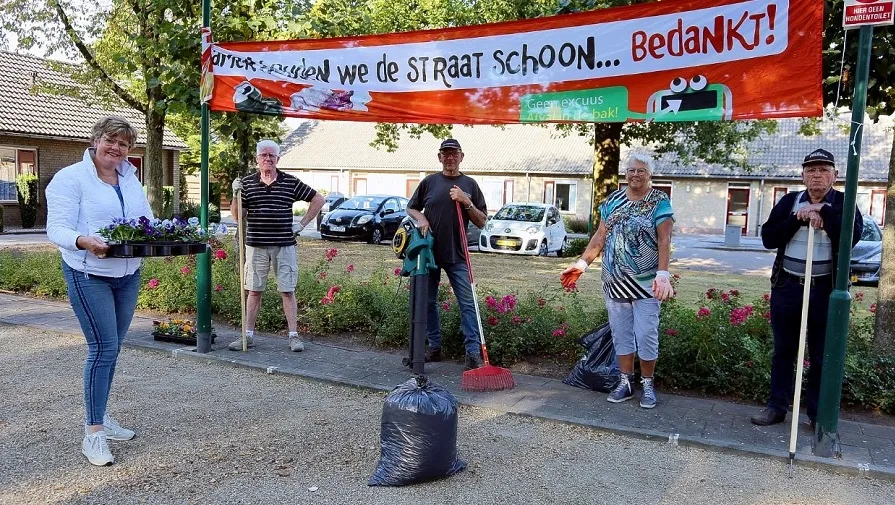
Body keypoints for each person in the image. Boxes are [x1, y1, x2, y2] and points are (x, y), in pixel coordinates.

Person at [45, 116, 151, 466]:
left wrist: (164, 240)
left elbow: (145, 221)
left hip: (128, 273)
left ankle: (101, 415)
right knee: (102, 348)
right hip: (88, 272)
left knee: (113, 348)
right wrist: (83, 241)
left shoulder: (130, 179)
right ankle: (93, 434)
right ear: (96, 140)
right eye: (110, 140)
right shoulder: (70, 178)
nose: (116, 148)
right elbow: (56, 228)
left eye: (124, 144)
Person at [750, 148, 863, 428]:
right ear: (803, 176)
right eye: (811, 170)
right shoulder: (789, 202)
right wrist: (797, 218)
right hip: (788, 287)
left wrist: (824, 212)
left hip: (825, 290)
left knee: (822, 355)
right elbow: (769, 238)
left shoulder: (845, 203)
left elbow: (851, 237)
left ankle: (816, 415)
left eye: (824, 170)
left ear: (835, 176)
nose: (817, 175)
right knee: (783, 351)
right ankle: (776, 408)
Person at [560, 154, 674, 409]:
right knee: (621, 334)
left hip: (647, 283)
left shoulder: (659, 201)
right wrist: (581, 265)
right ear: (626, 173)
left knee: (646, 334)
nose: (635, 175)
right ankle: (625, 382)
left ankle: (647, 384)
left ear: (650, 174)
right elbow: (600, 236)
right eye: (631, 170)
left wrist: (663, 274)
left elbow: (664, 239)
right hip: (615, 280)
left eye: (641, 171)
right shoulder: (613, 200)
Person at [229, 140, 325, 352]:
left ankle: (293, 337)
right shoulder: (247, 183)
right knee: (254, 291)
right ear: (257, 158)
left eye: (271, 155)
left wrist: (302, 224)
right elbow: (237, 217)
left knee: (287, 291)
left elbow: (318, 199)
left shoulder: (289, 182)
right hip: (256, 245)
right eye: (263, 155)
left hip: (284, 245)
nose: (268, 158)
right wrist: (235, 195)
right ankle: (247, 336)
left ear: (278, 159)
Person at [406, 138, 488, 370]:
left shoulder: (470, 185)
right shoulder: (429, 182)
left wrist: (466, 201)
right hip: (429, 253)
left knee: (468, 304)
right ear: (439, 157)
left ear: (461, 157)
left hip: (457, 254)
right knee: (428, 302)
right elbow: (411, 207)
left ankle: (472, 353)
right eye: (446, 154)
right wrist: (421, 218)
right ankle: (434, 347)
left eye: (454, 154)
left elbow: (482, 221)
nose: (450, 158)